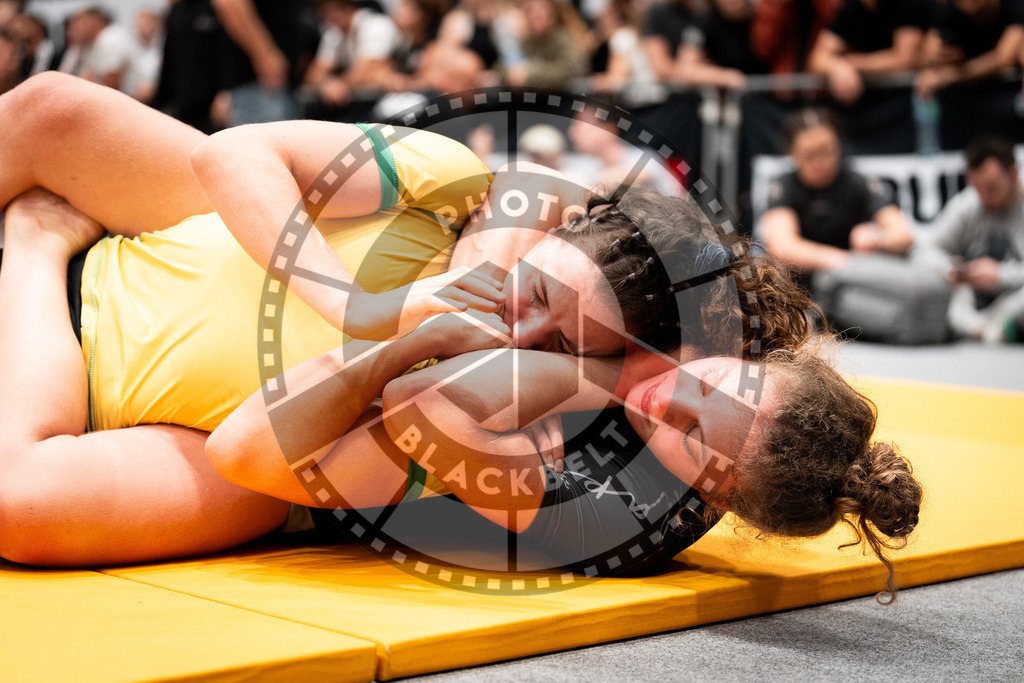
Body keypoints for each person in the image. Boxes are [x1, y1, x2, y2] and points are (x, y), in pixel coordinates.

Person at [0, 71, 809, 568]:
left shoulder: (561, 444)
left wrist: (429, 350)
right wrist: (364, 307)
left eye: (560, 336)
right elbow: (232, 156)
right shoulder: (480, 194)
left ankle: (29, 255)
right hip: (152, 245)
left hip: (168, 417)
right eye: (541, 298)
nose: (526, 328)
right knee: (48, 107)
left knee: (22, 508)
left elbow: (250, 453)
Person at [760, 108, 914, 294]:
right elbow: (781, 246)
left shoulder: (859, 182)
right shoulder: (783, 186)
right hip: (801, 286)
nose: (820, 162)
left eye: (827, 151)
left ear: (839, 146)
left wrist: (879, 239)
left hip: (853, 286)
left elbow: (903, 235)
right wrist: (839, 260)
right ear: (792, 153)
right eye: (809, 155)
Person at [918, 135, 1024, 342]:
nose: (984, 195)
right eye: (977, 187)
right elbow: (923, 252)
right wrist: (950, 268)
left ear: (1014, 174)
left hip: (1015, 299)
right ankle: (982, 331)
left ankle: (998, 328)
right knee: (943, 288)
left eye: (992, 187)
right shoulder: (968, 204)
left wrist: (1001, 275)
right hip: (973, 302)